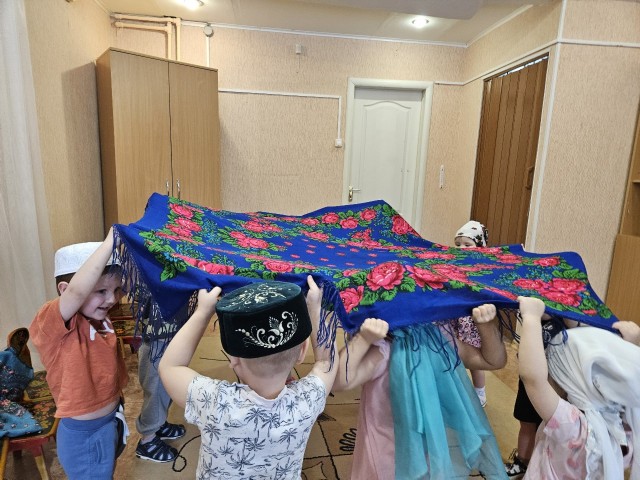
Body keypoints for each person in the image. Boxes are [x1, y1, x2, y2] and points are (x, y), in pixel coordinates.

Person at [158, 276, 338, 478]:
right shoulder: (308, 400)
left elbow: (170, 367)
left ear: (233, 359)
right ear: (302, 352)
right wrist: (316, 310)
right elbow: (326, 363)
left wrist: (202, 312)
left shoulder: (214, 401)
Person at [332, 303, 507, 479]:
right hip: (389, 451)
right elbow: (339, 381)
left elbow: (493, 360)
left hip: (431, 446)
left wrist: (486, 325)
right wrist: (363, 339)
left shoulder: (437, 338)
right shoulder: (384, 347)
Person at [29, 229, 129, 479]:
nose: (112, 299)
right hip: (86, 436)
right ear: (64, 290)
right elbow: (77, 293)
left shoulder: (99, 317)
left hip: (109, 422)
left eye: (116, 290)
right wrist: (110, 241)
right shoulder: (53, 323)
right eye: (101, 291)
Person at [517, 296, 640, 479]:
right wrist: (630, 346)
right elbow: (627, 381)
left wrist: (531, 318)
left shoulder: (574, 428)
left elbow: (534, 380)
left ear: (568, 384)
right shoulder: (624, 427)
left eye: (551, 372)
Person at [134, 301, 187, 463]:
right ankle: (147, 440)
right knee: (155, 388)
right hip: (156, 336)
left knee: (167, 385)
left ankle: (159, 424)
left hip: (171, 329)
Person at [453, 220, 490, 406]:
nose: (462, 249)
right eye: (458, 244)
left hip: (473, 322)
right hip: (456, 318)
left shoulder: (482, 269)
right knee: (455, 355)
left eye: (467, 245)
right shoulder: (454, 265)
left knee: (475, 361)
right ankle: (458, 390)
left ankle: (479, 392)